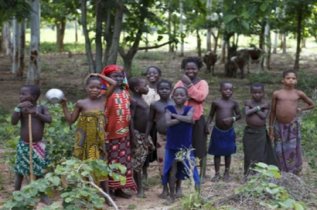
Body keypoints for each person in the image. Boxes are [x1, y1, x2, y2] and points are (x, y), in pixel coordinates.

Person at [60, 73, 116, 198]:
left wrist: (99, 75)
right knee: (83, 165)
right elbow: (70, 120)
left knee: (101, 165)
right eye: (91, 87)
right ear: (86, 88)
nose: (94, 90)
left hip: (98, 142)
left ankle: (106, 195)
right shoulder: (81, 103)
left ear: (101, 89)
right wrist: (64, 106)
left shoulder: (103, 99)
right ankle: (85, 194)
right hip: (84, 142)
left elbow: (114, 83)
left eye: (98, 87)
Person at [269, 70, 315, 175]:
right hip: (279, 126)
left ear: (296, 81)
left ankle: (293, 171)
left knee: (292, 148)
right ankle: (280, 170)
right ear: (283, 80)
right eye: (288, 78)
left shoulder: (298, 93)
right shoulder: (277, 94)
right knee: (278, 148)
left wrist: (301, 109)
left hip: (292, 126)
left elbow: (311, 104)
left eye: (293, 78)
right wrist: (271, 128)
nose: (291, 80)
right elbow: (272, 112)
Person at [101, 64, 137, 198]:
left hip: (124, 135)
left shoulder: (125, 92)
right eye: (115, 76)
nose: (119, 79)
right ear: (107, 78)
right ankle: (109, 190)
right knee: (110, 162)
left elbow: (129, 116)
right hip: (109, 135)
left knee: (123, 162)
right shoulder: (104, 94)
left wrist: (132, 134)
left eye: (121, 76)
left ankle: (119, 189)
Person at [11, 85, 52, 202]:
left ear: (34, 97)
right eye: (20, 94)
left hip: (38, 145)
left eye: (24, 94)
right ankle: (16, 193)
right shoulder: (20, 109)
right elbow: (13, 122)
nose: (21, 96)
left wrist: (35, 114)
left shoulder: (41, 108)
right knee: (20, 171)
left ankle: (42, 194)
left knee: (39, 171)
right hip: (24, 145)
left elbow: (49, 120)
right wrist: (18, 108)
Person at [162, 87, 200, 203]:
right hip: (172, 146)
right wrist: (185, 119)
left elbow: (190, 119)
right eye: (176, 95)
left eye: (182, 95)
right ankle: (172, 196)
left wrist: (176, 116)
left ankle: (198, 196)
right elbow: (168, 123)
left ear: (186, 97)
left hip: (186, 147)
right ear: (172, 97)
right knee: (170, 171)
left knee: (193, 170)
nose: (179, 97)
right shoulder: (168, 108)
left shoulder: (190, 108)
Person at [174, 57, 209, 178]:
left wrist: (188, 85)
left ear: (198, 69)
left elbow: (201, 97)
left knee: (200, 147)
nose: (190, 71)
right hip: (182, 120)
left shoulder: (202, 83)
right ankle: (184, 171)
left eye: (193, 68)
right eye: (188, 68)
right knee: (183, 147)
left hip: (197, 119)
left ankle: (202, 174)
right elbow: (175, 97)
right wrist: (188, 97)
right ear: (184, 69)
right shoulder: (179, 83)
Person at [206, 81, 241, 181]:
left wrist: (231, 119)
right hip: (217, 131)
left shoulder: (234, 103)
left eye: (230, 89)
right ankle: (217, 173)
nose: (228, 91)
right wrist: (207, 125)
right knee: (217, 153)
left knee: (228, 152)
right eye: (225, 89)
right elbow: (211, 115)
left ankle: (226, 172)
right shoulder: (216, 103)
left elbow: (239, 116)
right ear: (220, 90)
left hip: (229, 131)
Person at [145, 79, 174, 198]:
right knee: (162, 163)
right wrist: (146, 135)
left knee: (175, 163)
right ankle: (164, 188)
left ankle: (176, 188)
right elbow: (150, 121)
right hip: (160, 138)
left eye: (167, 88)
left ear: (171, 90)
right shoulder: (155, 105)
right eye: (161, 89)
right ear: (157, 90)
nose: (164, 91)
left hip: (175, 138)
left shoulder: (175, 103)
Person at [243, 83, 277, 177]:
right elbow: (247, 113)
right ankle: (248, 172)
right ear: (251, 93)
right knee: (248, 152)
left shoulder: (265, 104)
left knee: (260, 153)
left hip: (260, 132)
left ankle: (259, 173)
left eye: (259, 92)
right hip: (249, 132)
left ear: (263, 93)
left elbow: (263, 116)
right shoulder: (248, 102)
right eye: (254, 92)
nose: (257, 94)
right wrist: (259, 108)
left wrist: (255, 108)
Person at [129, 77, 155, 198]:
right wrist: (133, 136)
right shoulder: (134, 101)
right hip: (137, 134)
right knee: (137, 162)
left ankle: (139, 185)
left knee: (143, 159)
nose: (147, 87)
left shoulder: (141, 99)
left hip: (144, 134)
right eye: (145, 85)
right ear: (136, 88)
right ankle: (139, 189)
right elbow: (131, 120)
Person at [142, 66, 161, 181]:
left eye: (155, 73)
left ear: (159, 75)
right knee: (146, 148)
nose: (151, 75)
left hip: (159, 124)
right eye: (149, 73)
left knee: (160, 148)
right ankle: (144, 173)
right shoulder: (144, 90)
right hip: (146, 123)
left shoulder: (164, 88)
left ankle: (162, 172)